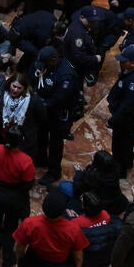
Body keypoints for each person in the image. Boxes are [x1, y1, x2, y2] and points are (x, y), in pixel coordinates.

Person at [0, 126, 36, 267]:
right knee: (10, 227)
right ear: (21, 141)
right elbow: (27, 185)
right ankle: (7, 259)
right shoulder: (26, 161)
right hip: (13, 199)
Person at [31, 47, 79, 184]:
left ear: (53, 60)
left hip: (59, 112)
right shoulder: (50, 65)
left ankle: (54, 171)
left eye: (45, 63)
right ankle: (41, 158)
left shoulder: (66, 75)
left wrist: (40, 104)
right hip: (46, 109)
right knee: (41, 133)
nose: (43, 66)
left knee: (55, 142)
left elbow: (59, 98)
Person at [13, 189, 90, 266]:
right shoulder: (73, 230)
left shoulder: (29, 223)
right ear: (63, 211)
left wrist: (22, 260)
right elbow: (78, 257)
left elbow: (19, 249)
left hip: (34, 259)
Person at [106, 46, 134, 178]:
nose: (121, 63)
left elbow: (126, 106)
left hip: (127, 117)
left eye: (124, 61)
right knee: (128, 140)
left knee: (119, 144)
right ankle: (128, 161)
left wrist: (112, 120)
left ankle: (120, 170)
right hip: (133, 114)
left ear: (133, 62)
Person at [0, 73, 45, 159]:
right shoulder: (3, 94)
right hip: (3, 134)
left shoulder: (34, 100)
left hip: (22, 138)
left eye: (19, 88)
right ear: (10, 84)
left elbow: (41, 116)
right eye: (14, 86)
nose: (15, 90)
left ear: (24, 88)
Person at [64, 150, 129, 216]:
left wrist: (80, 172)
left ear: (97, 164)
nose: (92, 158)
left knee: (64, 185)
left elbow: (77, 188)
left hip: (99, 207)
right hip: (117, 205)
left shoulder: (93, 177)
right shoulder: (115, 171)